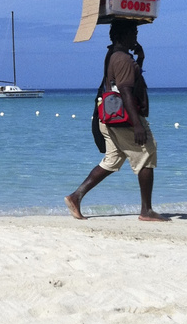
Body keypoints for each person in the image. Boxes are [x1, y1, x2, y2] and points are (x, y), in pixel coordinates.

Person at [65, 18, 166, 221]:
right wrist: (137, 124)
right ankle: (146, 210)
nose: (136, 37)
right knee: (147, 153)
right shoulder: (123, 60)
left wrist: (140, 59)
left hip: (110, 118)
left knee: (112, 160)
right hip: (125, 120)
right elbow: (126, 92)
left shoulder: (114, 55)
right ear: (123, 35)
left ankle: (76, 197)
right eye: (134, 34)